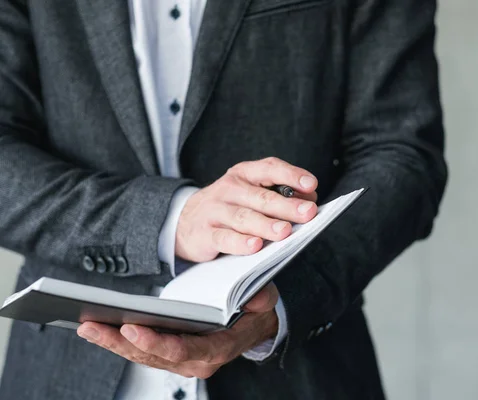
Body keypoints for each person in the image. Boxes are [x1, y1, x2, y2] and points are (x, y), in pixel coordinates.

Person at [0, 0, 447, 399]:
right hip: (61, 372)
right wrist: (171, 219)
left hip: (300, 370)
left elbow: (403, 153)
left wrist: (284, 301)